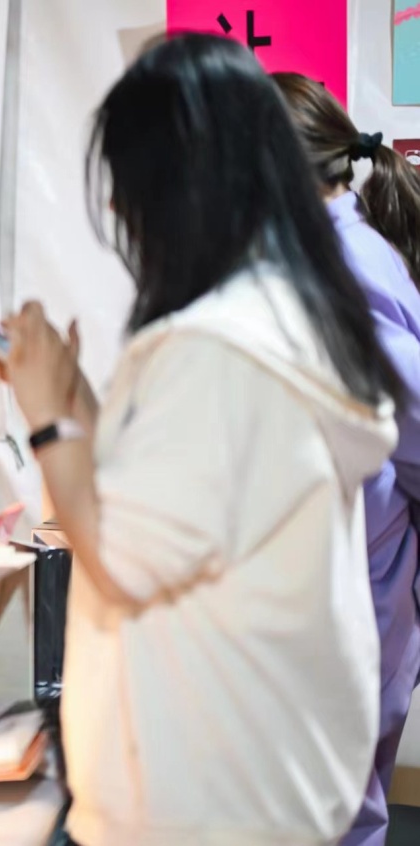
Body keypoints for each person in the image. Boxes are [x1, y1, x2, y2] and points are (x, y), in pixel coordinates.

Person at [0, 34, 402, 845]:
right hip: (267, 767)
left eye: (128, 185)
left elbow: (123, 555)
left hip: (208, 790)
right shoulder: (288, 311)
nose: (116, 213)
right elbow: (177, 496)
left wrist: (47, 418)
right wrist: (66, 390)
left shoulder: (217, 349)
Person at [274, 71, 420, 846]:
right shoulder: (340, 254)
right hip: (359, 570)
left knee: (333, 812)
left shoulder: (345, 273)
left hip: (359, 577)